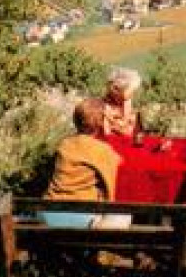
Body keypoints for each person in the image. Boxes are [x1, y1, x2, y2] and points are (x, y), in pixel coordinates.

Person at [42, 98, 122, 228]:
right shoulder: (101, 150)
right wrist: (108, 132)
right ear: (100, 122)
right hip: (81, 215)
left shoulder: (64, 144)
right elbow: (117, 163)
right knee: (124, 217)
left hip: (48, 212)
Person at [101, 66, 145, 138]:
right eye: (131, 91)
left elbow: (131, 127)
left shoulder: (127, 99)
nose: (132, 94)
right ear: (117, 90)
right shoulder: (106, 105)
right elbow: (107, 132)